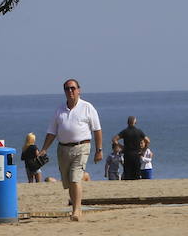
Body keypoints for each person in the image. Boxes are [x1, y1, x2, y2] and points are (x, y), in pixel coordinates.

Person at [37, 78, 103, 221]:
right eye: (67, 89)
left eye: (73, 88)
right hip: (63, 149)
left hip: (82, 147)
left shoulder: (87, 107)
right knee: (68, 182)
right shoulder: (59, 109)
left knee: (75, 178)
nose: (70, 91)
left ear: (79, 90)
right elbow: (52, 132)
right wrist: (44, 149)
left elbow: (97, 130)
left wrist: (99, 150)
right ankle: (75, 206)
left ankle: (77, 210)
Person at [112, 116, 146, 180]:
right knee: (136, 175)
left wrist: (121, 146)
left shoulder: (125, 131)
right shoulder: (139, 131)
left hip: (127, 154)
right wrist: (143, 150)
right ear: (135, 122)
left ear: (127, 122)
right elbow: (148, 141)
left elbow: (114, 139)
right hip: (136, 154)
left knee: (127, 175)